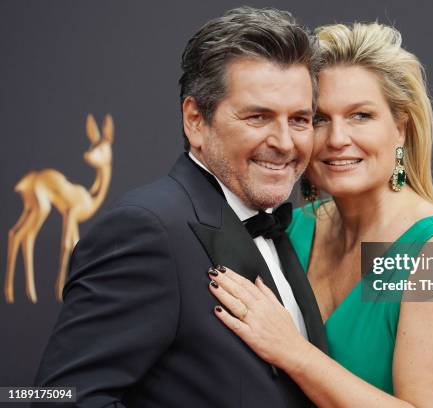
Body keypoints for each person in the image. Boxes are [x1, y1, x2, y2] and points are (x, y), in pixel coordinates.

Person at [34, 7, 327, 407]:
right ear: (195, 120)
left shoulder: (276, 226)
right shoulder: (147, 230)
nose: (285, 142)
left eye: (299, 119)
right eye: (258, 117)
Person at [208, 22, 433, 407]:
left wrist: (293, 352)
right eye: (319, 119)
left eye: (360, 115)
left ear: (401, 129)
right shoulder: (296, 227)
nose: (338, 138)